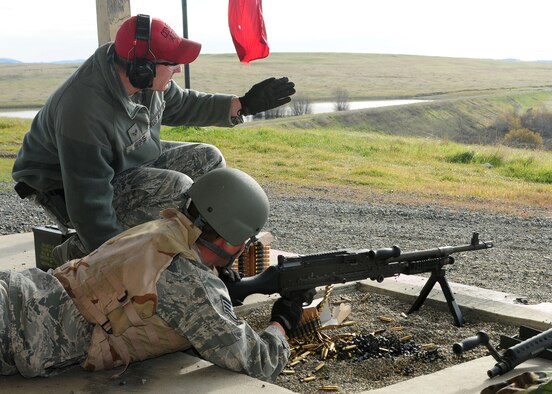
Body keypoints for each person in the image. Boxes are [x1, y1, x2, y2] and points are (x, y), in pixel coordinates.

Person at [11, 14, 296, 266]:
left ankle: (197, 251)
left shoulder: (141, 79)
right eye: (172, 64)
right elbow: (89, 204)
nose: (178, 70)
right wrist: (119, 267)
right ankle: (73, 254)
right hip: (63, 187)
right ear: (142, 68)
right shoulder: (84, 110)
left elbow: (182, 103)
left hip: (120, 162)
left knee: (209, 160)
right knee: (177, 188)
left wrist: (242, 104)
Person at [0, 168, 305, 381]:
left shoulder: (162, 225)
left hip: (20, 290)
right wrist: (283, 321)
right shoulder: (193, 288)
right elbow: (260, 361)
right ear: (229, 241)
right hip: (17, 333)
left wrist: (221, 287)